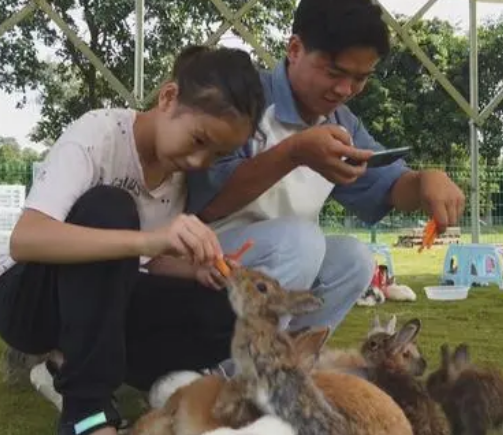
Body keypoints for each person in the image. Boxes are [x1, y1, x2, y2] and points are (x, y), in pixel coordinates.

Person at [0, 45, 266, 435]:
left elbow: (140, 263)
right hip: (26, 302)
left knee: (225, 310)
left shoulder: (181, 175)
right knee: (109, 207)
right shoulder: (99, 134)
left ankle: (77, 368)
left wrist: (194, 271)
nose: (201, 162)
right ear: (168, 97)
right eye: (199, 140)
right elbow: (26, 239)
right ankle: (87, 412)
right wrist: (147, 240)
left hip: (101, 304)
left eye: (218, 155)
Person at [186, 0, 466, 336]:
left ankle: (291, 363)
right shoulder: (245, 96)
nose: (345, 90)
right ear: (294, 49)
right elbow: (210, 202)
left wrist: (425, 181)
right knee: (302, 242)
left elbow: (390, 185)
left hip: (278, 268)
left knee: (353, 259)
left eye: (361, 78)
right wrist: (295, 153)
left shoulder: (342, 123)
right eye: (334, 72)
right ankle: (237, 366)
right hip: (203, 260)